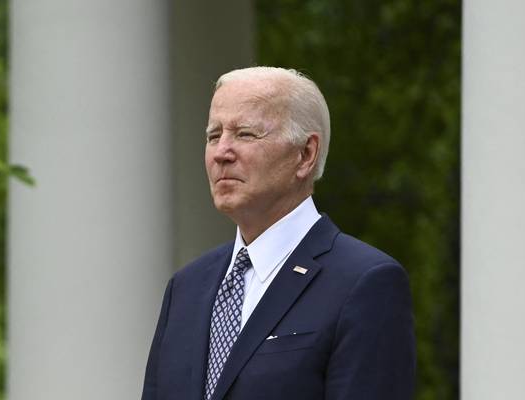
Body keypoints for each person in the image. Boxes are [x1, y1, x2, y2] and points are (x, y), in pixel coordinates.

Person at [142, 67, 415, 400]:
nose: (221, 153)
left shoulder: (365, 283)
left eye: (245, 134)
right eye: (214, 135)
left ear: (305, 154)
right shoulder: (185, 289)